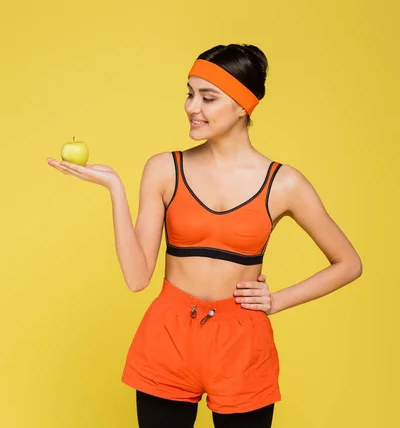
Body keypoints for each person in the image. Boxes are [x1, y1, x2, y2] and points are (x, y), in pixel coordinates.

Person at [46, 43, 363, 428]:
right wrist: (115, 188)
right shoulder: (165, 169)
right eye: (190, 93)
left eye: (208, 98)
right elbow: (136, 278)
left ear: (243, 106)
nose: (192, 107)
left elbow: (348, 264)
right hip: (168, 335)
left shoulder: (284, 183)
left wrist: (276, 301)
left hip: (242, 343)